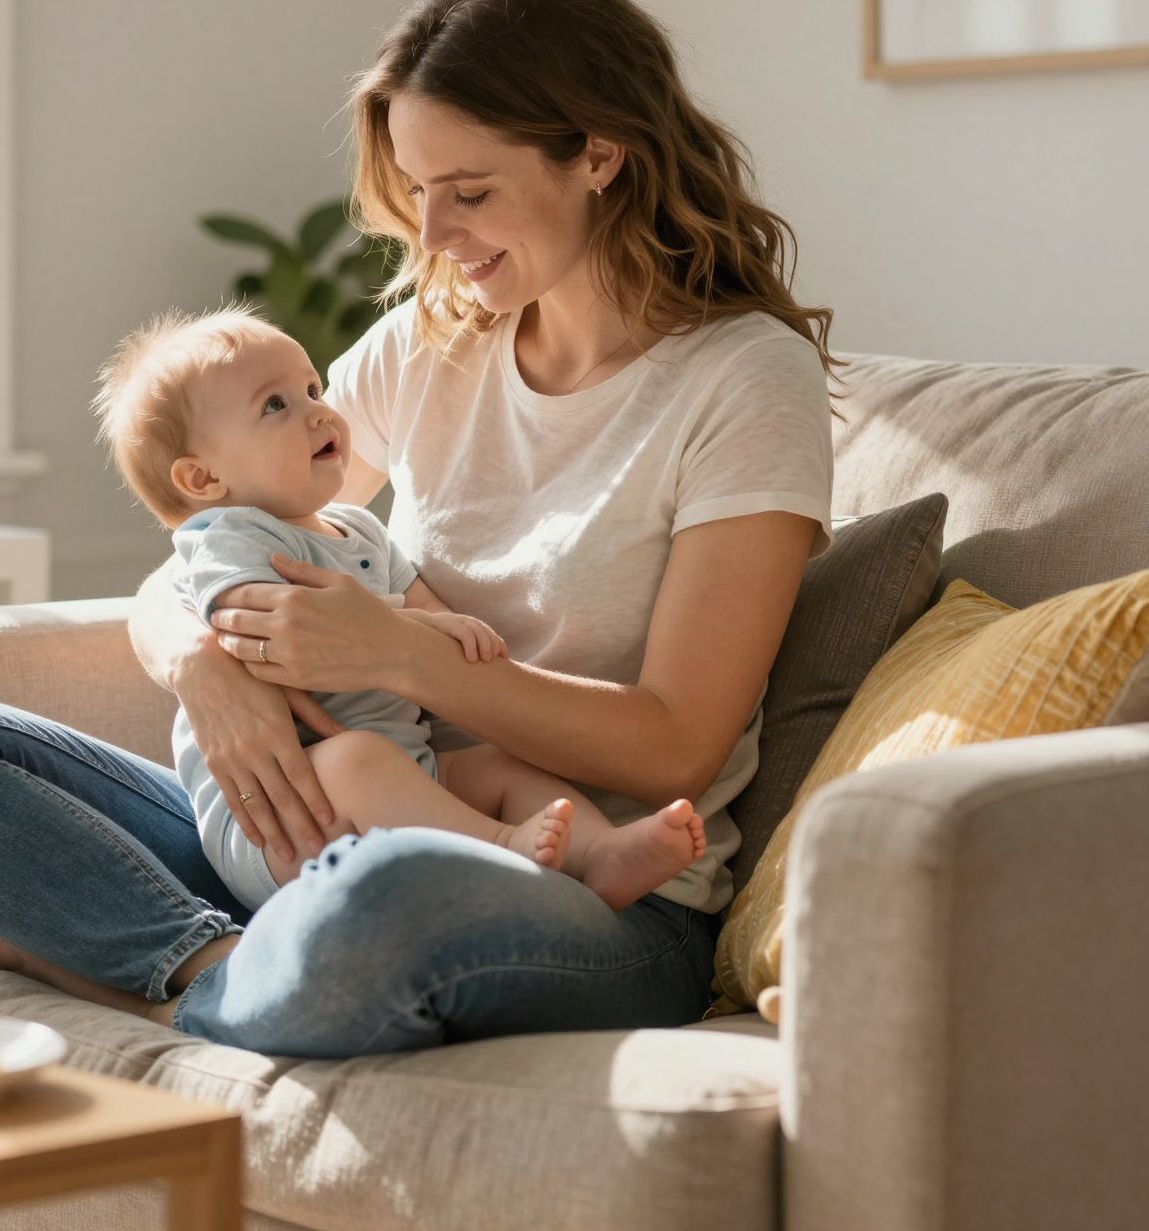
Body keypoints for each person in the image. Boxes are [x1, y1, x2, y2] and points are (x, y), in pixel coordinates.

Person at [0, 0, 836, 1058]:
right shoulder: (433, 343)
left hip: (595, 897)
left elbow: (676, 747)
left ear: (598, 154)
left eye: (470, 193)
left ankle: (154, 984)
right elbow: (211, 542)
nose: (434, 235)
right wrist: (202, 665)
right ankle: (213, 962)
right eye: (418, 192)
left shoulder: (744, 380)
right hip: (344, 817)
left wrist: (403, 656)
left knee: (380, 900)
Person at [92, 305, 708, 918]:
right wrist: (396, 633)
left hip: (408, 772)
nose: (318, 411)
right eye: (275, 405)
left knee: (498, 766)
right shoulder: (231, 539)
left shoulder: (357, 528)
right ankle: (503, 849)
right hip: (289, 811)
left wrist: (443, 630)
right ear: (201, 480)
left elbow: (418, 609)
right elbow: (255, 625)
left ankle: (598, 852)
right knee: (358, 761)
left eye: (311, 389)